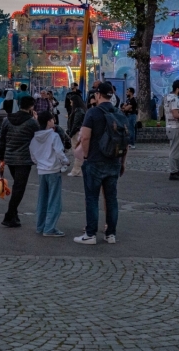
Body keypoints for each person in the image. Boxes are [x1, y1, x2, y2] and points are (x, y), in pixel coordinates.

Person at [73, 82, 127, 245]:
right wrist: (122, 162)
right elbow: (125, 141)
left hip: (95, 160)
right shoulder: (119, 113)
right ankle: (111, 234)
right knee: (111, 199)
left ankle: (90, 234)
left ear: (98, 95)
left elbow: (85, 137)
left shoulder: (93, 113)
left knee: (92, 198)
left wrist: (86, 156)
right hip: (114, 160)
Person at [0, 95, 41, 228]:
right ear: (31, 107)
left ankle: (14, 215)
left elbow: (2, 139)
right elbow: (39, 138)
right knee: (19, 188)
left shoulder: (7, 120)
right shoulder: (32, 122)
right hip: (24, 159)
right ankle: (9, 215)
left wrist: (1, 156)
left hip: (10, 158)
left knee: (17, 185)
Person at [30, 111, 68, 237]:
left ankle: (40, 226)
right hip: (53, 169)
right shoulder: (54, 136)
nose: (54, 121)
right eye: (52, 119)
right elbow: (59, 152)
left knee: (42, 199)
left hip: (41, 170)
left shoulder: (35, 137)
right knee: (54, 200)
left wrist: (39, 163)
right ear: (48, 122)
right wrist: (65, 162)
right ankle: (50, 227)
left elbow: (33, 155)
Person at [164, 80, 179, 180]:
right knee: (175, 150)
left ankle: (176, 171)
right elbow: (176, 114)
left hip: (170, 127)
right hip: (175, 127)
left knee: (175, 149)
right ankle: (174, 172)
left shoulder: (168, 97)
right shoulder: (174, 99)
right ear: (178, 89)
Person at [66, 92, 86, 177]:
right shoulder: (81, 110)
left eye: (71, 102)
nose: (70, 104)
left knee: (77, 152)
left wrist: (70, 133)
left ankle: (76, 170)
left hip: (76, 133)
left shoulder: (78, 111)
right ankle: (79, 170)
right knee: (79, 152)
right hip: (78, 132)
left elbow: (76, 124)